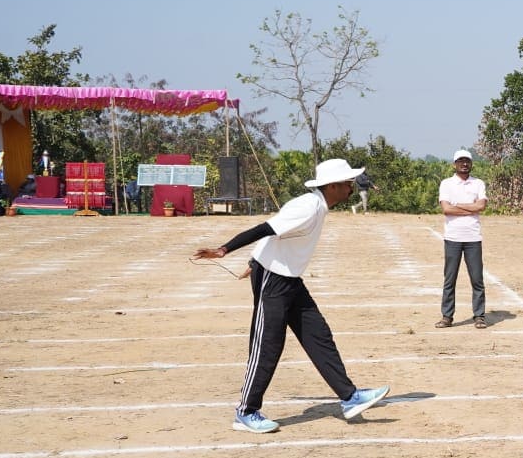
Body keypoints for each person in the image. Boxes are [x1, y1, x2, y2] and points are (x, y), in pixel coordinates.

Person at [191, 158, 390, 434]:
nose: (351, 187)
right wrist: (225, 250)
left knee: (318, 335)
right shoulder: (307, 207)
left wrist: (253, 260)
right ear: (332, 186)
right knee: (268, 344)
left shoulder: (318, 206)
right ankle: (246, 411)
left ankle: (349, 397)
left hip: (290, 279)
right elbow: (265, 228)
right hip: (273, 279)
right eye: (347, 182)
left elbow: (277, 233)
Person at [438, 150, 488, 329]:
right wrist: (470, 208)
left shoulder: (478, 183)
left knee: (477, 279)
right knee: (450, 279)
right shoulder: (446, 184)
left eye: (467, 161)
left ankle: (479, 316)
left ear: (471, 164)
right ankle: (447, 316)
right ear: (454, 164)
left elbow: (481, 206)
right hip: (453, 237)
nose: (464, 164)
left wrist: (457, 205)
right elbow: (446, 210)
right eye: (460, 161)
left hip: (473, 237)